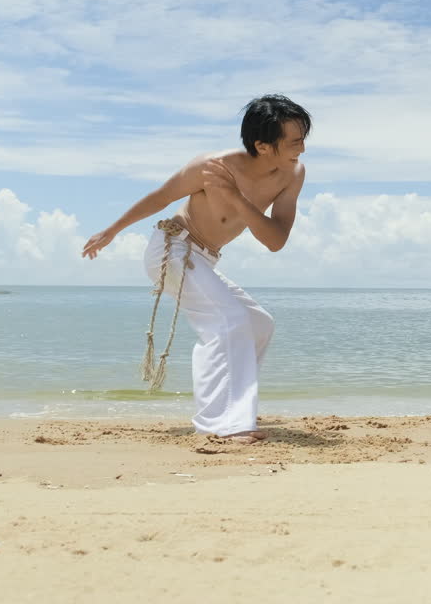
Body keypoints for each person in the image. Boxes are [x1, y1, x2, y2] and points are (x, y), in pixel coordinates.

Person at [82, 94, 311, 444]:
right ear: (263, 146)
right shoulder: (210, 167)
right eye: (295, 142)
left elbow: (275, 239)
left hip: (206, 258)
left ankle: (231, 410)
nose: (303, 149)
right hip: (173, 247)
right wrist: (111, 231)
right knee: (229, 320)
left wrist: (237, 200)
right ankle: (224, 423)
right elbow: (161, 197)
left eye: (303, 139)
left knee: (259, 324)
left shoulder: (292, 173)